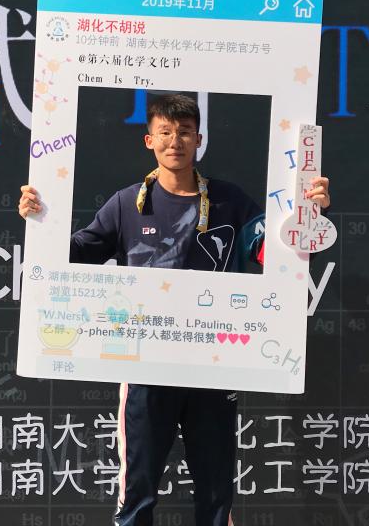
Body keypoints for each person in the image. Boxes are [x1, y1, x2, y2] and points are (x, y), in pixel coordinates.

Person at [18, 93, 330, 526]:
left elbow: (277, 254)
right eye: (165, 132)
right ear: (149, 140)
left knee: (216, 492)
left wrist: (310, 214)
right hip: (145, 368)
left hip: (213, 365)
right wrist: (38, 222)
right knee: (138, 492)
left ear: (199, 139)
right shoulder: (126, 204)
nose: (175, 141)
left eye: (184, 132)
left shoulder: (230, 202)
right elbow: (70, 256)